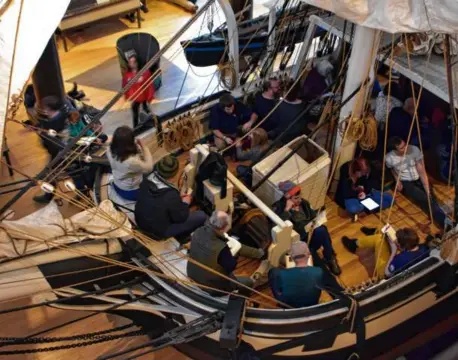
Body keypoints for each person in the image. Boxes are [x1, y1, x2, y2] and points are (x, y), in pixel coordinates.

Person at [274, 181, 341, 275]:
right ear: (288, 198)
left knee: (322, 229)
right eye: (296, 198)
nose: (300, 200)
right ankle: (329, 257)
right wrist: (287, 210)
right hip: (297, 242)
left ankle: (329, 257)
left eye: (300, 196)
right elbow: (280, 226)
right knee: (323, 231)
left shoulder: (303, 203)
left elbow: (313, 215)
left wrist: (318, 217)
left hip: (309, 234)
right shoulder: (280, 208)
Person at [135, 156, 207, 242]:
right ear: (173, 175)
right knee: (201, 216)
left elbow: (161, 200)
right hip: (156, 231)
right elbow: (180, 218)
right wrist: (185, 203)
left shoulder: (146, 176)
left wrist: (177, 197)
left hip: (140, 220)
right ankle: (184, 237)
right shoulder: (171, 196)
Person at [187, 210, 255, 295]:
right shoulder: (222, 249)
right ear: (225, 227)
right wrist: (234, 255)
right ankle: (241, 300)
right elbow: (231, 267)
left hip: (192, 274)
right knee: (248, 282)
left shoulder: (198, 231)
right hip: (212, 287)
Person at [386, 137, 447, 228]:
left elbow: (422, 171)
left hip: (418, 177)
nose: (406, 148)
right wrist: (397, 181)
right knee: (425, 200)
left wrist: (427, 187)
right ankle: (445, 223)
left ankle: (439, 218)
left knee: (431, 197)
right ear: (395, 150)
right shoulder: (389, 158)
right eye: (402, 148)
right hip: (407, 182)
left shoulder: (414, 150)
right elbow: (392, 169)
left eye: (405, 144)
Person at [269, 241, 343, 308]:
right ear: (308, 255)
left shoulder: (282, 274)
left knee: (273, 272)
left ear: (291, 257)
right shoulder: (318, 272)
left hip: (290, 305)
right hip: (312, 303)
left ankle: (282, 304)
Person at [342, 227, 429, 278]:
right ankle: (375, 232)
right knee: (386, 234)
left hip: (384, 273)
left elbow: (387, 273)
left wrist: (394, 251)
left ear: (402, 245)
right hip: (404, 256)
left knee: (380, 239)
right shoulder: (423, 247)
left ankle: (355, 244)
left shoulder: (401, 259)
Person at [107, 126, 153, 201]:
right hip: (130, 191)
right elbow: (149, 167)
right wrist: (144, 146)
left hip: (117, 183)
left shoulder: (109, 149)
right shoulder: (131, 161)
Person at [122, 55, 154, 128]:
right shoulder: (128, 75)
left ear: (137, 63)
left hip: (143, 95)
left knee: (146, 109)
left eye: (133, 62)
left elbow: (148, 80)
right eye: (130, 62)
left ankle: (151, 122)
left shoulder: (144, 72)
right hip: (136, 96)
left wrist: (142, 78)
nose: (132, 64)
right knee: (135, 111)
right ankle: (135, 127)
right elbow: (125, 85)